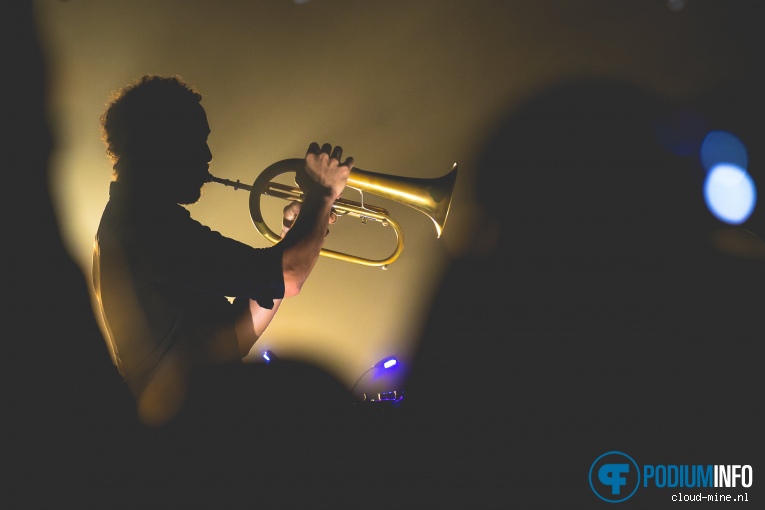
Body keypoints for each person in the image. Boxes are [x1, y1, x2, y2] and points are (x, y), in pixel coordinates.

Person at [93, 74, 354, 427]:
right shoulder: (148, 227)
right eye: (197, 141)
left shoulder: (136, 220)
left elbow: (235, 336)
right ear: (162, 143)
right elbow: (289, 276)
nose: (208, 156)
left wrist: (296, 231)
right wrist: (323, 193)